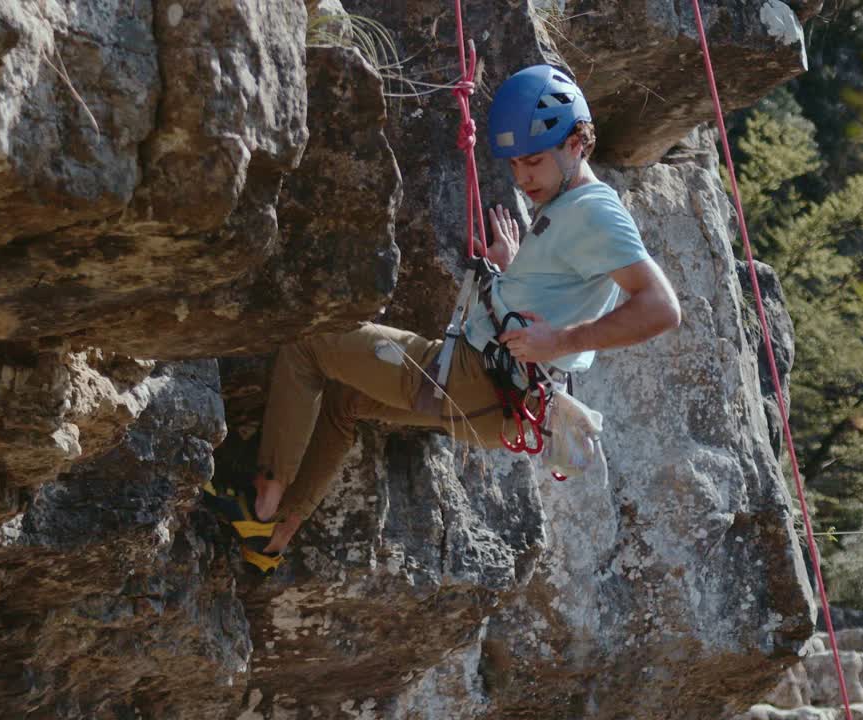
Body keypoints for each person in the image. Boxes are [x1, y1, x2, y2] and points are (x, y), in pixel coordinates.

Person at [202, 65, 681, 572]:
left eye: (534, 161)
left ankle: (262, 501)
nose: (522, 177)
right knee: (344, 401)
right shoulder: (565, 206)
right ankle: (273, 540)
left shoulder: (595, 210)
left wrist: (558, 339)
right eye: (515, 163)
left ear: (578, 143)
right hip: (497, 398)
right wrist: (508, 272)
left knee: (311, 344)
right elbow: (559, 289)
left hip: (475, 377)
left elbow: (661, 307)